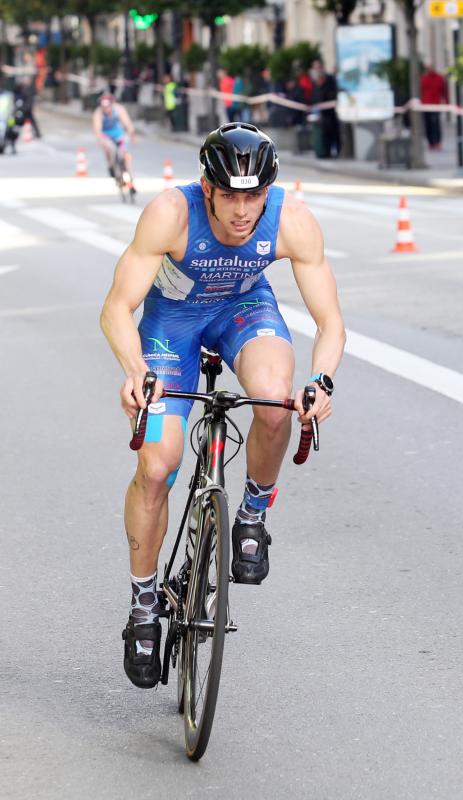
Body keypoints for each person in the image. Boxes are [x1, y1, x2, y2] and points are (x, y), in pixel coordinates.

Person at [100, 122, 346, 689]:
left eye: (253, 196)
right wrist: (136, 372)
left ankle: (253, 515)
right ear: (206, 188)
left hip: (243, 310)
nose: (242, 211)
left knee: (274, 401)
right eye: (230, 196)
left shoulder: (291, 220)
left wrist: (323, 380)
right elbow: (117, 307)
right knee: (157, 464)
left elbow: (330, 321)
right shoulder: (171, 213)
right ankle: (143, 604)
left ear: (269, 191)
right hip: (171, 326)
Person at [92, 93, 136, 186]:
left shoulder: (119, 109)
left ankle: (129, 174)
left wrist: (131, 134)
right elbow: (97, 129)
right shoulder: (98, 113)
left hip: (117, 133)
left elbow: (127, 122)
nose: (106, 109)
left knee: (124, 153)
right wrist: (101, 140)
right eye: (104, 107)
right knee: (109, 149)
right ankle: (111, 166)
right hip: (106, 135)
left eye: (108, 106)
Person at [310, 59, 341, 158]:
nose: (317, 70)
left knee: (333, 132)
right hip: (320, 115)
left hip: (331, 113)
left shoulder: (330, 80)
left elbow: (334, 97)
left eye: (319, 67)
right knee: (322, 135)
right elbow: (314, 98)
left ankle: (337, 151)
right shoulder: (314, 83)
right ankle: (325, 152)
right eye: (315, 68)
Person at [420, 64, 447, 150]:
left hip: (436, 105)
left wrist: (446, 102)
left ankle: (437, 142)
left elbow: (444, 91)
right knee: (428, 125)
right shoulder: (423, 78)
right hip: (425, 105)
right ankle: (431, 143)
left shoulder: (439, 78)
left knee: (436, 124)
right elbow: (420, 91)